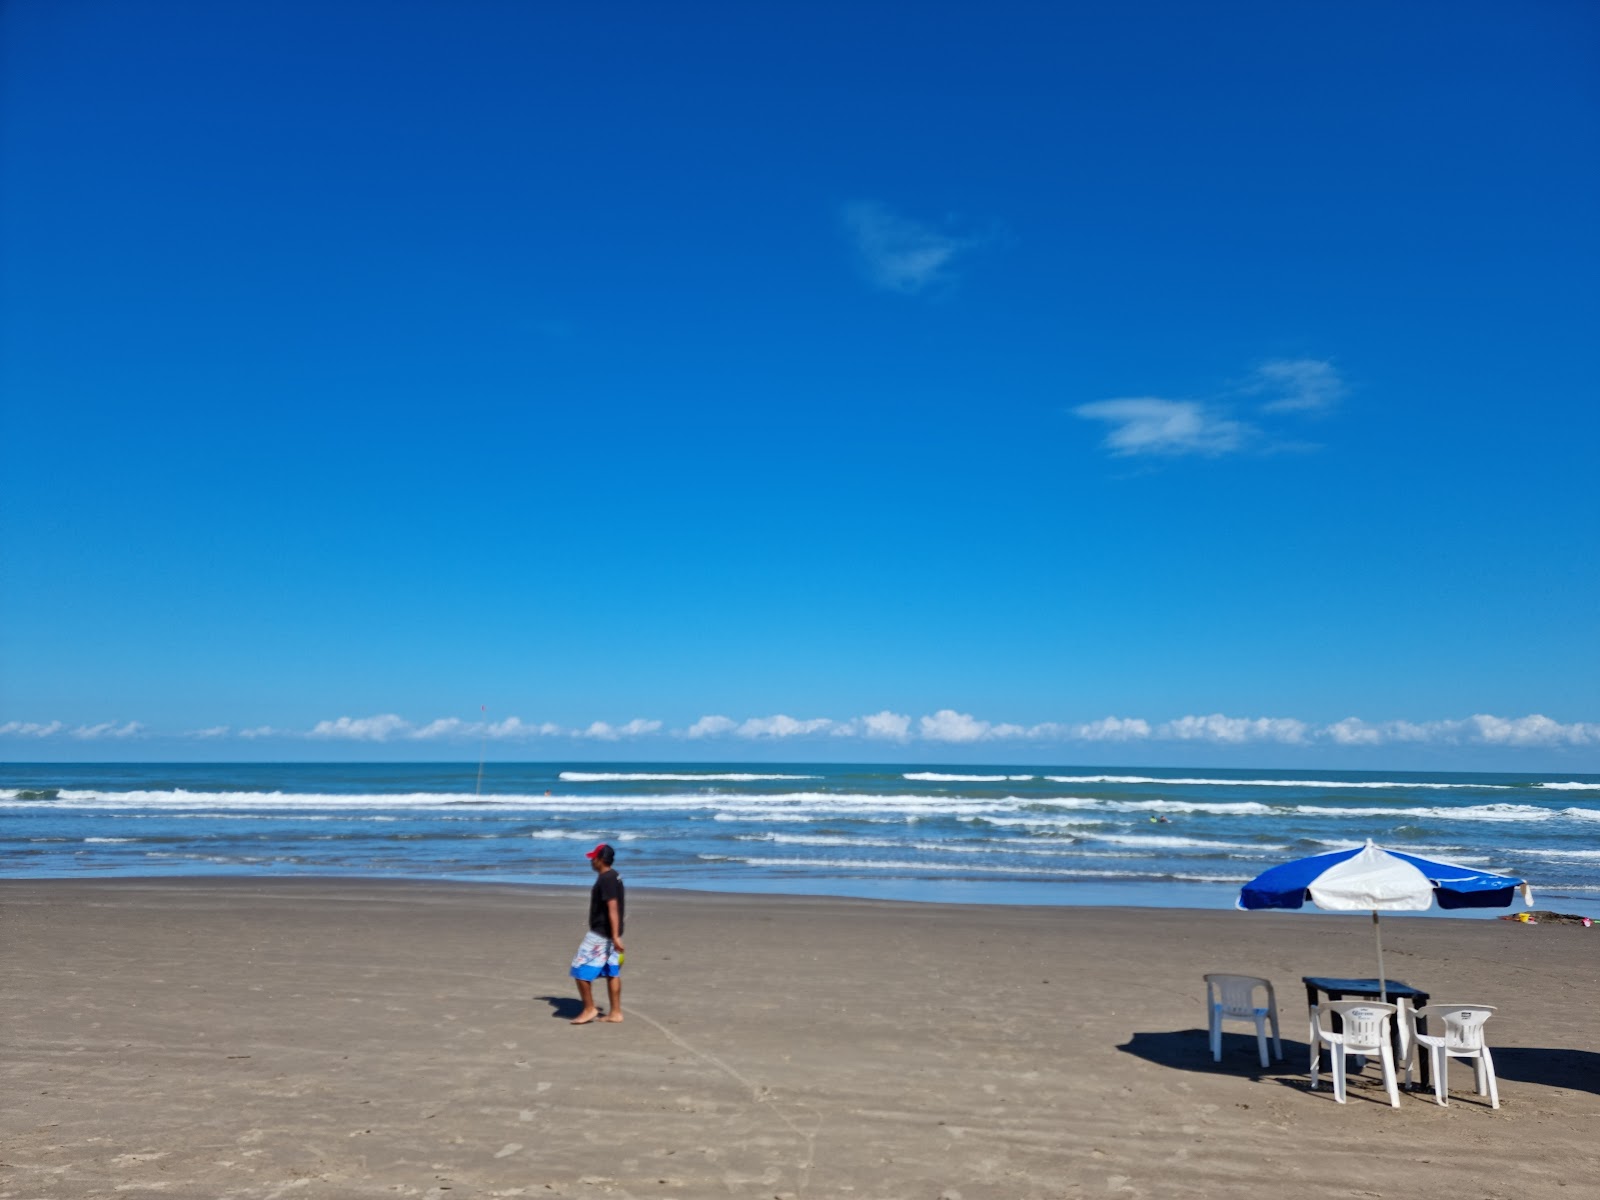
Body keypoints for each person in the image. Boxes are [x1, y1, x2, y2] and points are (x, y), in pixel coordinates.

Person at [568, 842, 625, 1024]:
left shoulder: (606, 879)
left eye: (594, 858)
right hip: (611, 935)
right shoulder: (615, 876)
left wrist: (615, 936)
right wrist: (616, 935)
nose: (591, 861)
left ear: (600, 860)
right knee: (612, 972)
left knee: (579, 969)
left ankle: (589, 1008)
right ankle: (615, 1013)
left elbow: (613, 907)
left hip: (601, 935)